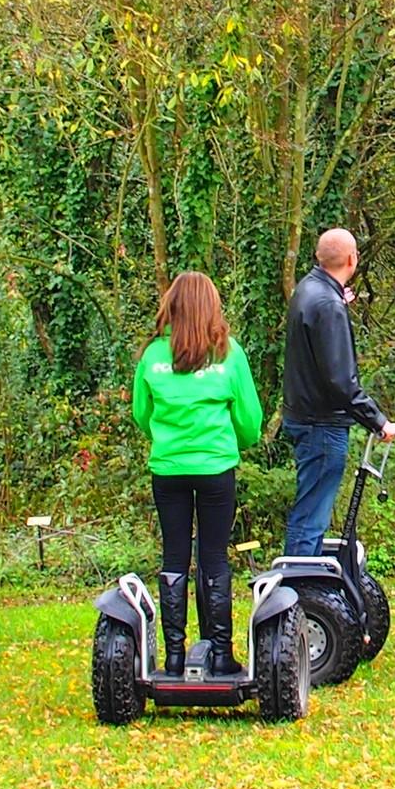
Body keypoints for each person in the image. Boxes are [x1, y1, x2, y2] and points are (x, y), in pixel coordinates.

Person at [132, 271, 263, 676]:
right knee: (213, 557)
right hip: (215, 468)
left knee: (174, 554)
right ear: (212, 307)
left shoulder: (153, 355)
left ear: (171, 305)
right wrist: (229, 441)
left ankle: (174, 656)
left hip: (168, 469)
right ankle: (219, 653)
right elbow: (250, 422)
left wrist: (169, 437)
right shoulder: (229, 353)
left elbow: (141, 415)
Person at [281, 228, 395, 557]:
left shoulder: (309, 289)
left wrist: (337, 302)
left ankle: (301, 589)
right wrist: (378, 422)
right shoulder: (327, 304)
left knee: (310, 509)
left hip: (304, 415)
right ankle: (299, 596)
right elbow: (340, 380)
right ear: (352, 259)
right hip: (321, 423)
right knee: (312, 515)